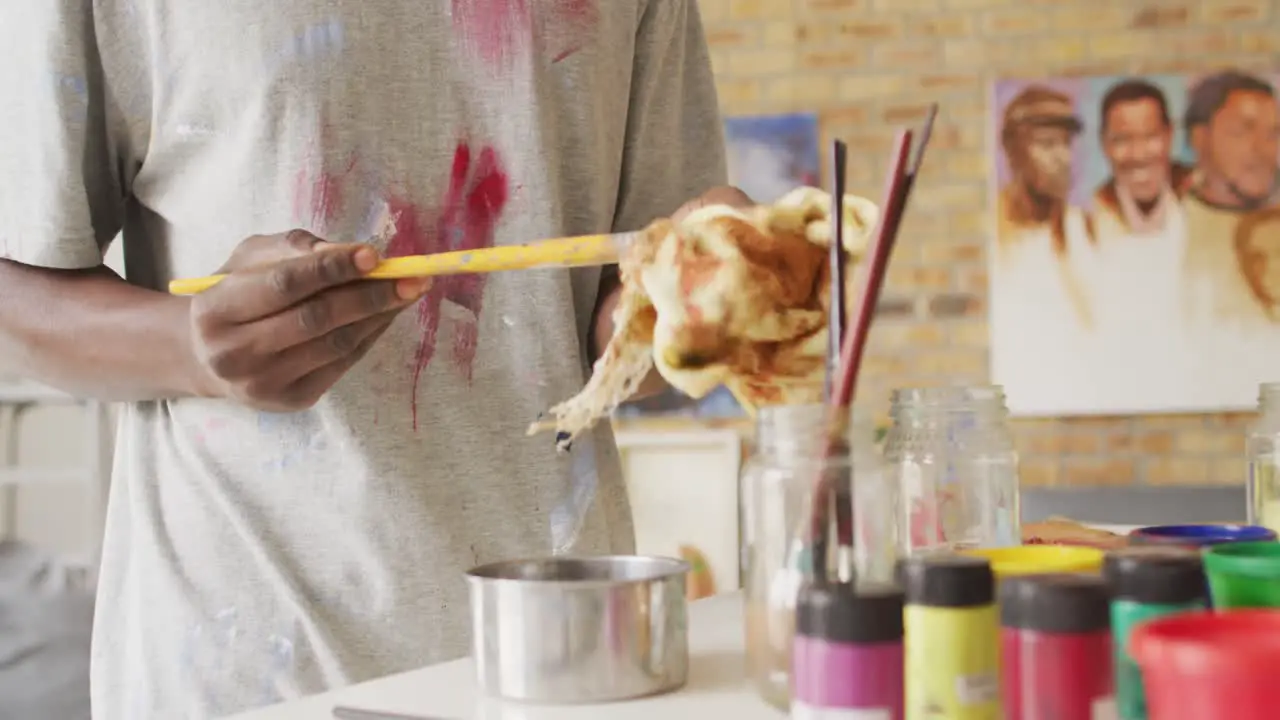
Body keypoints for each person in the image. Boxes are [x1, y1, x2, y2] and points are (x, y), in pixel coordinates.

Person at [0, 2, 747, 718]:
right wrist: (190, 348)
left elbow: (622, 334)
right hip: (249, 671)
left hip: (565, 660)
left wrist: (719, 299)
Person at [1181, 70, 1280, 327]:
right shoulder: (1169, 232)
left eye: (1273, 133)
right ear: (1199, 138)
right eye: (1241, 132)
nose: (1263, 149)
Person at [1091, 79, 1192, 238]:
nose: (1138, 155)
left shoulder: (1200, 195)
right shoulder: (1088, 218)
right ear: (1104, 143)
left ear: (1169, 135)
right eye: (1122, 140)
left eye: (1150, 136)